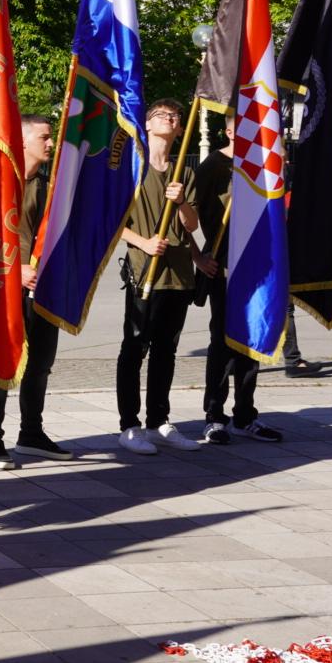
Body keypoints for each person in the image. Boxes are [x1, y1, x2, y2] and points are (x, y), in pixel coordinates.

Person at [0, 114, 73, 469]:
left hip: (44, 289)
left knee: (41, 363)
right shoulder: (0, 183)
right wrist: (15, 268)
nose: (50, 143)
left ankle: (31, 433)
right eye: (44, 137)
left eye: (51, 137)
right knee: (4, 361)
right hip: (5, 288)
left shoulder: (50, 188)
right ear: (21, 142)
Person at [115, 99, 203, 455]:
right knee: (135, 347)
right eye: (162, 115)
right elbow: (113, 223)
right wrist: (144, 243)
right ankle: (129, 425)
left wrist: (181, 202)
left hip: (178, 275)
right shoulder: (131, 169)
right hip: (143, 272)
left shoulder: (185, 173)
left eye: (176, 117)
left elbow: (192, 225)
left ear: (180, 129)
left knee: (166, 350)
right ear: (147, 124)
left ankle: (158, 421)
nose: (171, 118)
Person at [195, 135, 283, 444]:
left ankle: (245, 415)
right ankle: (214, 416)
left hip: (257, 264)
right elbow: (194, 215)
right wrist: (202, 255)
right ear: (232, 131)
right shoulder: (213, 166)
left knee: (250, 341)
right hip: (224, 265)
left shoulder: (263, 162)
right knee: (222, 343)